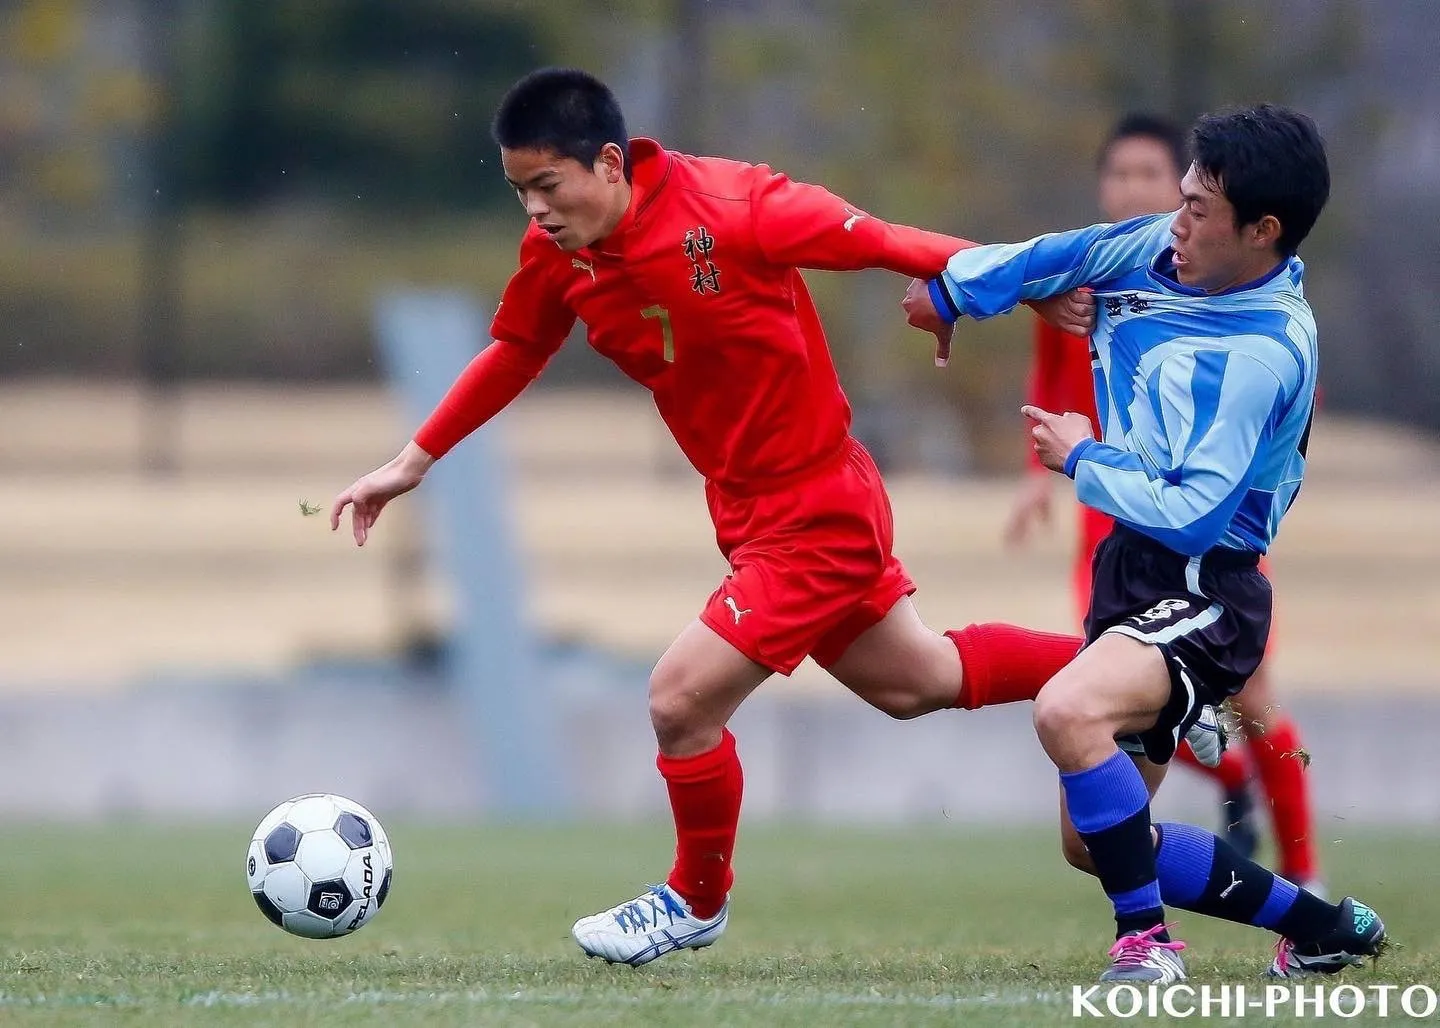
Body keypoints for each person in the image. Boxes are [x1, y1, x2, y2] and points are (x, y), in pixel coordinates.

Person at [330, 67, 1091, 966]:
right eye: (519, 191)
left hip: (816, 507)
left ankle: (694, 900)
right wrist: (414, 459)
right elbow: (516, 346)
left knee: (679, 700)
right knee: (914, 682)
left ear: (608, 163)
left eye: (548, 185)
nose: (534, 209)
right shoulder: (559, 252)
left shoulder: (734, 207)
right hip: (747, 509)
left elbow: (886, 240)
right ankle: (1145, 671)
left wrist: (1021, 283)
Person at [904, 104, 1384, 982]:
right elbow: (1065, 253)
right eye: (1183, 198)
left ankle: (1146, 944)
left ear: (1262, 231)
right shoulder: (1163, 249)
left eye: (1199, 208)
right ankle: (1322, 926)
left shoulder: (1260, 352)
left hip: (1207, 589)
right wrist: (949, 295)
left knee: (1066, 710)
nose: (1177, 222)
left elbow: (1196, 513)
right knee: (1093, 842)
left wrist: (1080, 457)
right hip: (1130, 574)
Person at [1007, 113, 1322, 889]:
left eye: (1151, 176)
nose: (1133, 190)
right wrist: (1033, 474)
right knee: (1106, 695)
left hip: (1201, 534)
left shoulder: (1237, 303)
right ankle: (1217, 783)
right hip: (1109, 525)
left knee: (1254, 701)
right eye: (1118, 175)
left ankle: (1304, 874)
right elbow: (1048, 374)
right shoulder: (1092, 272)